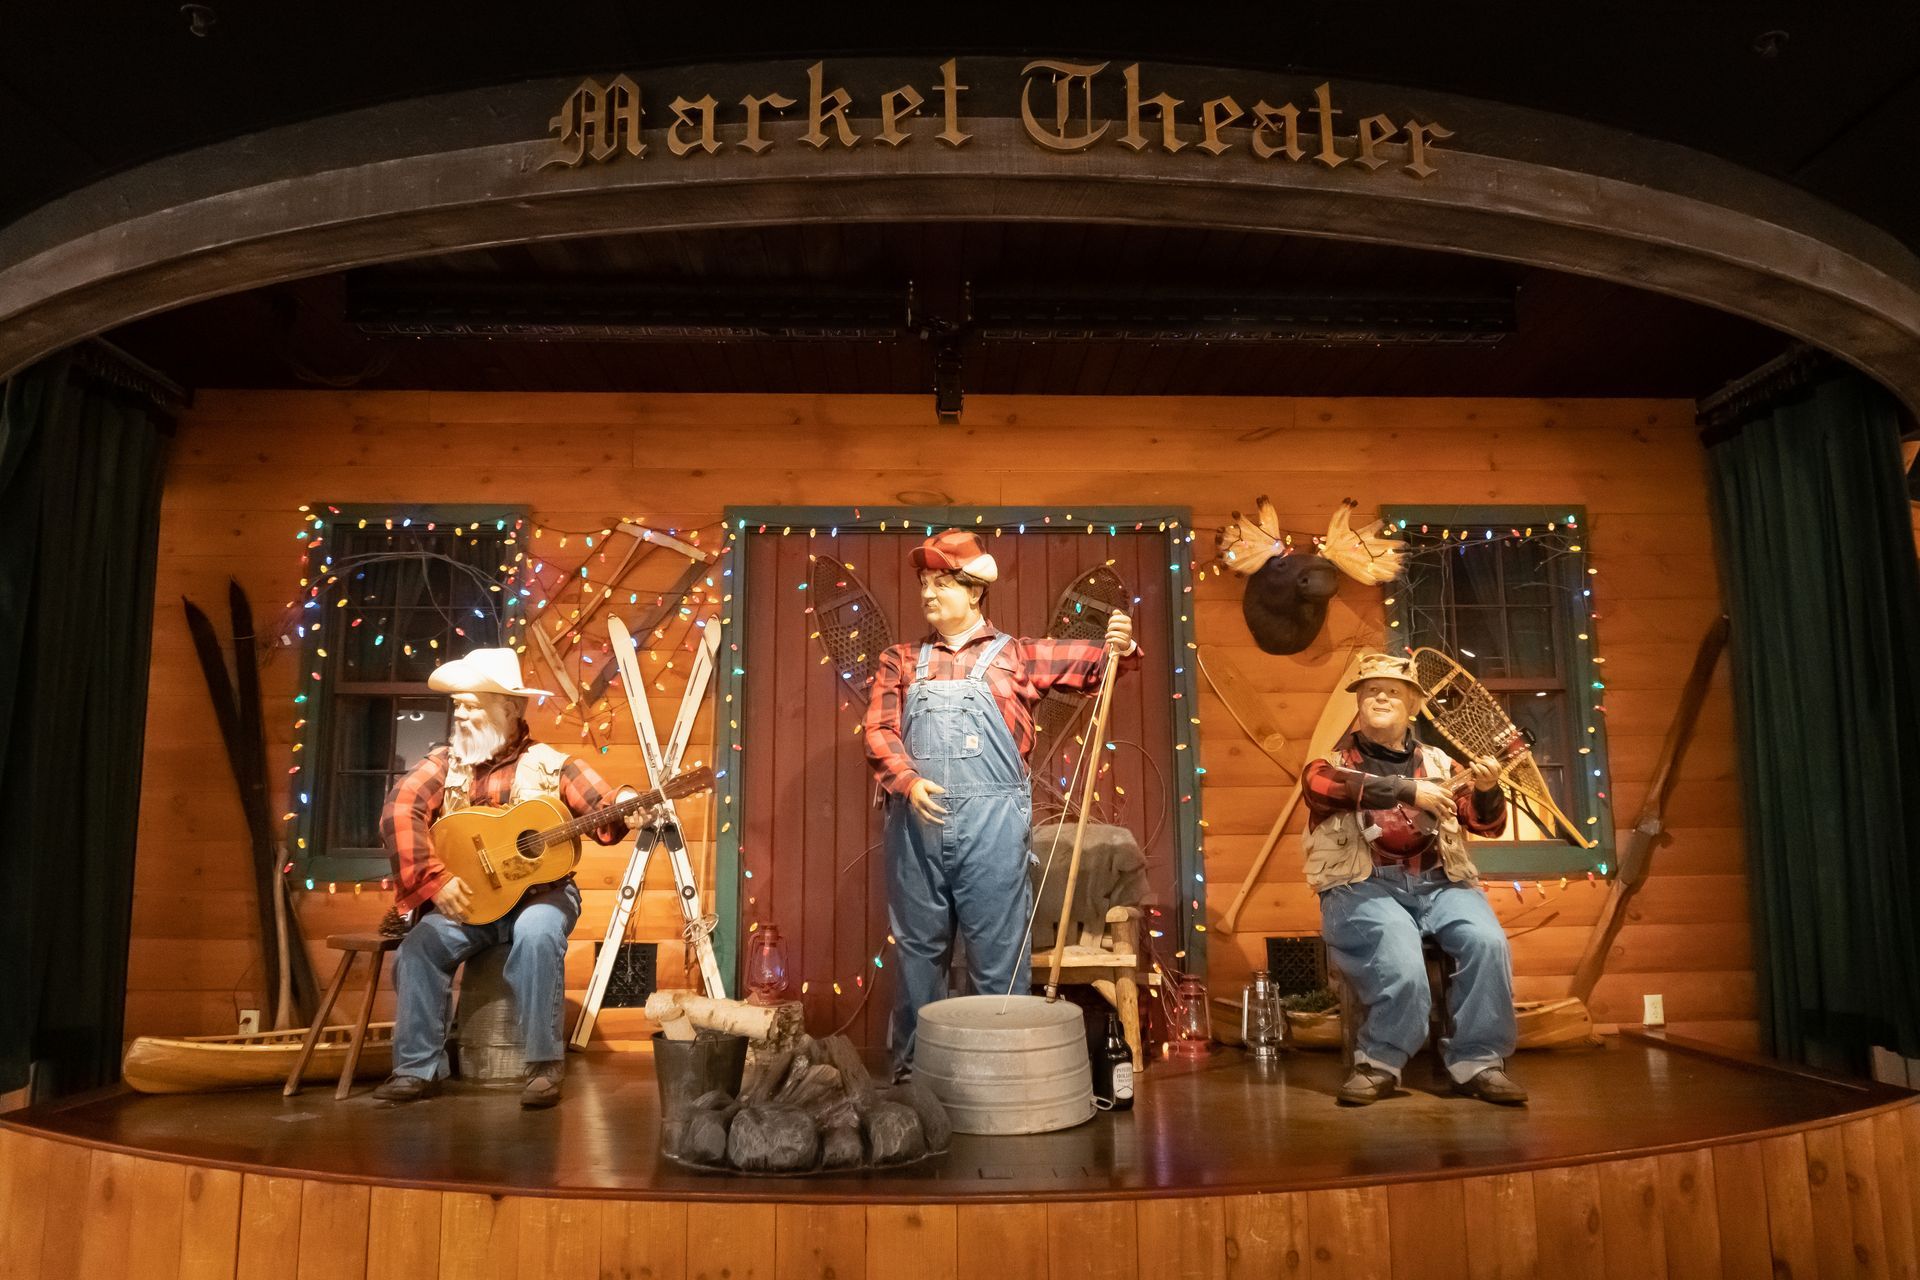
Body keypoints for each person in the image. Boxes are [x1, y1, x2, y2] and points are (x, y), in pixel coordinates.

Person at [864, 530, 1135, 1076]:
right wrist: (909, 781)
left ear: (974, 590)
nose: (928, 594)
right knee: (920, 956)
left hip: (993, 828)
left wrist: (1119, 647)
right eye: (924, 584)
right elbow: (879, 730)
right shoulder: (900, 660)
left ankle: (1002, 1070)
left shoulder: (1017, 656)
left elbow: (1098, 665)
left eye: (941, 583)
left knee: (998, 957)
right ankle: (918, 1070)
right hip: (916, 828)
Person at [374, 647, 642, 1108]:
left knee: (537, 935)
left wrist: (628, 802)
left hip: (542, 895)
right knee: (418, 949)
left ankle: (541, 1066)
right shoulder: (445, 765)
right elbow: (399, 810)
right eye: (458, 705)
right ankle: (418, 1069)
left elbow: (601, 805)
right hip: (473, 902)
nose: (460, 713)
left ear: (509, 709)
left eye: (472, 704)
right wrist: (434, 880)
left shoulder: (553, 764)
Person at [1302, 652, 1527, 1106]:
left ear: (1413, 705)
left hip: (1440, 883)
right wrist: (1408, 790)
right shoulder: (1327, 764)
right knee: (1400, 957)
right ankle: (1379, 1061)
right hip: (1362, 886)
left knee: (1487, 942)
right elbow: (1325, 790)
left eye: (1392, 691)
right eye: (1370, 691)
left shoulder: (1442, 764)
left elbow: (1485, 824)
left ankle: (1478, 1062)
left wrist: (1486, 790)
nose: (1380, 697)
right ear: (1358, 705)